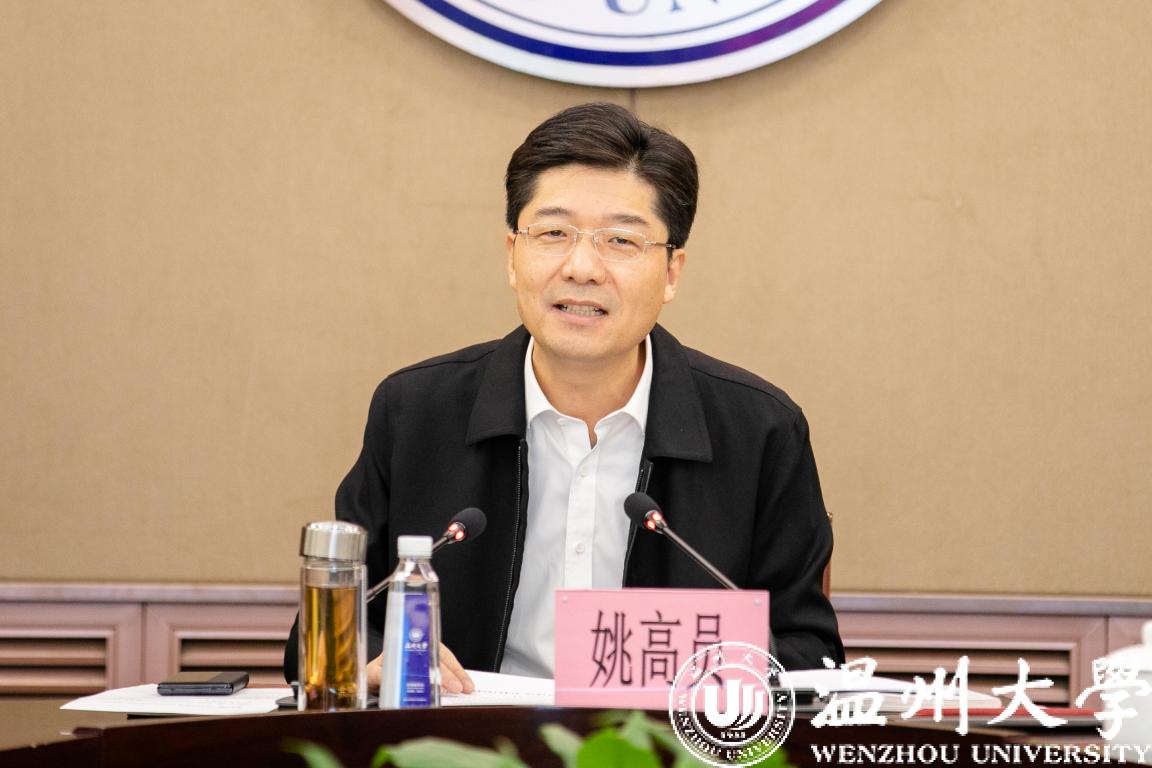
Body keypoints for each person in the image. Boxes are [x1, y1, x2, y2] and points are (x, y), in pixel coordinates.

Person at [284, 102, 843, 691]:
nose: (582, 268)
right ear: (512, 255)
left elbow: (809, 650)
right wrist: (370, 662)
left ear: (672, 272)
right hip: (466, 737)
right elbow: (325, 638)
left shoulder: (759, 431)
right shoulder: (416, 413)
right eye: (553, 234)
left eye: (621, 240)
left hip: (663, 737)